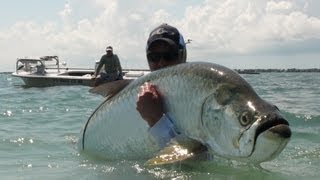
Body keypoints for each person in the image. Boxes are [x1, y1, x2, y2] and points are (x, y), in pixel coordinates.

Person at [136, 23, 187, 148]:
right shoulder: (138, 92)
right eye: (154, 57)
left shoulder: (194, 96)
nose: (161, 62)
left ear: (182, 55)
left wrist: (156, 120)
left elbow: (194, 164)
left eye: (169, 56)